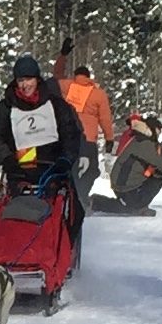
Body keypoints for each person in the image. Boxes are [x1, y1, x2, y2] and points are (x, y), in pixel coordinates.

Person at [0, 54, 82, 189]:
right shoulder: (5, 108)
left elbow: (70, 133)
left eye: (29, 79)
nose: (25, 85)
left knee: (72, 207)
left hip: (54, 169)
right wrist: (6, 158)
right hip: (18, 172)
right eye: (21, 80)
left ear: (37, 79)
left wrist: (66, 159)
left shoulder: (56, 105)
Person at [54, 38, 114, 205]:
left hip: (67, 137)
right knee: (91, 170)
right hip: (87, 139)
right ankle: (79, 198)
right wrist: (109, 139)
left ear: (75, 76)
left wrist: (63, 55)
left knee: (68, 168)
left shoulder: (67, 86)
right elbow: (105, 118)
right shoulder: (98, 94)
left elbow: (56, 76)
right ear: (89, 78)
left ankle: (67, 198)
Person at [91, 115, 162, 216]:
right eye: (159, 129)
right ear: (152, 129)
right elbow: (157, 161)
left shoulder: (141, 139)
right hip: (124, 184)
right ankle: (97, 202)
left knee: (128, 207)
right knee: (158, 180)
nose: (160, 133)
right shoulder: (144, 142)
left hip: (124, 182)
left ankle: (98, 202)